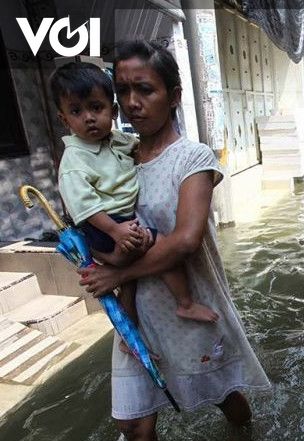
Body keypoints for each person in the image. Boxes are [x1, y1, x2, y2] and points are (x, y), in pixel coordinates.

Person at [77, 40, 270, 440]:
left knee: (224, 398)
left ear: (174, 96)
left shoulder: (193, 158)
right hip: (134, 311)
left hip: (187, 306)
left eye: (145, 89)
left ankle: (246, 432)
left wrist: (116, 275)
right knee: (134, 424)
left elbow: (186, 240)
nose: (132, 102)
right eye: (124, 91)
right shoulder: (116, 157)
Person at [52, 62, 218, 324]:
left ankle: (128, 328)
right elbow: (85, 207)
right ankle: (185, 302)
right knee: (161, 243)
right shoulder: (74, 161)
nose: (89, 118)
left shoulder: (117, 142)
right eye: (76, 111)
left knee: (129, 283)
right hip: (104, 225)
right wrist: (115, 231)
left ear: (113, 111)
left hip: (118, 222)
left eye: (96, 108)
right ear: (64, 119)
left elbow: (142, 146)